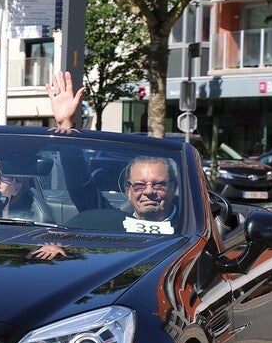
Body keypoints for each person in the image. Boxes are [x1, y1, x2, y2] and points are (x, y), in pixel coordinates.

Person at [45, 70, 176, 233]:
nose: (149, 191)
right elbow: (81, 188)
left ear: (173, 187)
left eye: (159, 184)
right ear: (128, 190)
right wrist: (65, 125)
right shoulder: (114, 222)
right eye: (139, 185)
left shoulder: (193, 225)